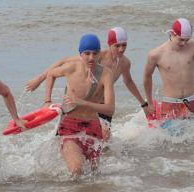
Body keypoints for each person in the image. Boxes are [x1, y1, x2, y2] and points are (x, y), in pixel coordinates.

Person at [26, 27, 148, 139]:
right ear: (110, 44)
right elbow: (62, 62)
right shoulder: (95, 58)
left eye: (124, 45)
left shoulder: (125, 63)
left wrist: (144, 104)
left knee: (105, 140)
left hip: (103, 105)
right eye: (117, 45)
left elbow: (129, 82)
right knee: (78, 138)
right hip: (81, 106)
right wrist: (39, 79)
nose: (121, 49)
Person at [44, 34, 115, 175]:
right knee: (76, 169)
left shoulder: (106, 74)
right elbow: (50, 74)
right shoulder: (70, 68)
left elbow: (110, 109)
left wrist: (83, 103)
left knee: (94, 174)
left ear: (99, 53)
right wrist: (47, 101)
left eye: (95, 53)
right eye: (87, 53)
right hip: (69, 124)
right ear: (80, 54)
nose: (91, 58)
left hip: (93, 127)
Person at [143, 18, 194, 121]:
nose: (184, 43)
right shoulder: (156, 54)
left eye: (187, 40)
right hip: (171, 103)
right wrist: (149, 102)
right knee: (167, 137)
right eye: (181, 39)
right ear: (172, 33)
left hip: (192, 100)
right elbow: (147, 77)